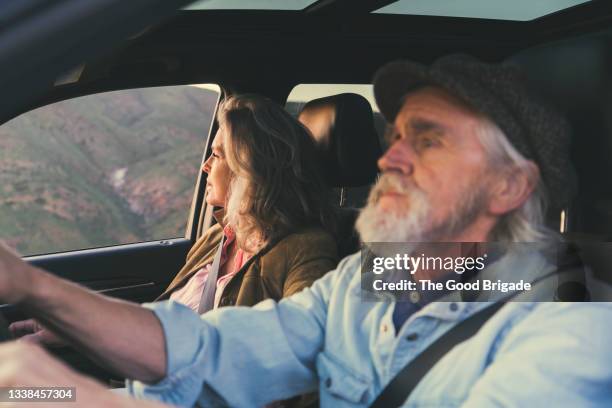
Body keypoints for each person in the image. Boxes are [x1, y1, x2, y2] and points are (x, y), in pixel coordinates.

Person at [0, 54, 611, 407]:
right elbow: (211, 349)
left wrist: (82, 400)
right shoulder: (366, 280)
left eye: (426, 141)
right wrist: (32, 286)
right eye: (395, 137)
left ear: (508, 188)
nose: (388, 160)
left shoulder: (572, 339)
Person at [8, 93, 338, 347]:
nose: (206, 166)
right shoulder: (218, 238)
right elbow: (161, 321)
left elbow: (300, 351)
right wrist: (77, 327)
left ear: (249, 169)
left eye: (218, 155)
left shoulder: (305, 249)